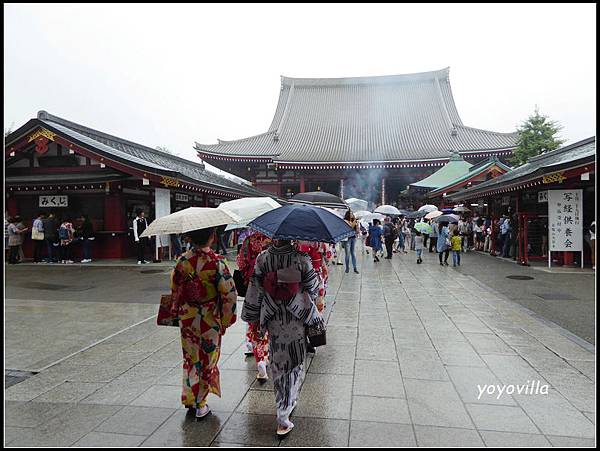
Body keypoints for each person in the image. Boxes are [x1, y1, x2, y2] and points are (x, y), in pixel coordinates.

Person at [242, 238, 323, 436]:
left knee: (278, 361)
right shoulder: (302, 259)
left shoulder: (263, 258)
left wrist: (253, 316)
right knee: (295, 359)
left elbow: (255, 289)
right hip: (296, 317)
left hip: (273, 316)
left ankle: (284, 405)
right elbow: (313, 286)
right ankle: (284, 414)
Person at [170, 227, 238, 419]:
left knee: (191, 358)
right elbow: (228, 293)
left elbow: (175, 289)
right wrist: (226, 320)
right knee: (208, 359)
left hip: (188, 316)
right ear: (212, 237)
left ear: (190, 238)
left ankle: (190, 398)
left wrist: (178, 308)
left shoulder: (182, 261)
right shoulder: (217, 262)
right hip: (210, 317)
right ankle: (201, 403)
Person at [237, 231, 272, 381]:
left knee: (255, 323)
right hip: (273, 290)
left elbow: (242, 263)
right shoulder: (275, 241)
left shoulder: (249, 240)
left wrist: (248, 277)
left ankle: (260, 360)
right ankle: (267, 352)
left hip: (254, 288)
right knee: (271, 324)